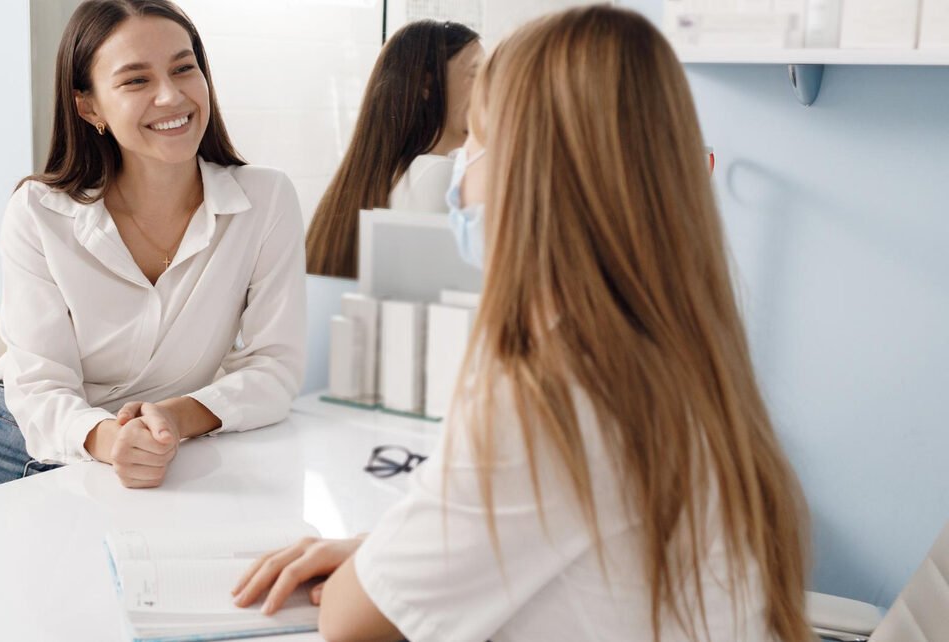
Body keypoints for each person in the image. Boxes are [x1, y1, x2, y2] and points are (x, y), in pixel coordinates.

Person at [232, 7, 810, 642]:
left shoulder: (547, 396)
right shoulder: (683, 360)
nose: (460, 172)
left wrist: (379, 563)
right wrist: (392, 552)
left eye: (475, 144)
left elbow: (350, 623)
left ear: (526, 173)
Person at [0, 0, 305, 513]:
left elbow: (275, 368)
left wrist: (174, 419)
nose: (171, 95)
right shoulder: (39, 212)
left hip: (151, 452)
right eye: (135, 81)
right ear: (89, 107)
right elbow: (40, 383)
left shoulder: (264, 201)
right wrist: (110, 440)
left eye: (183, 68)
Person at [305, 20, 482, 279]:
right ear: (427, 84)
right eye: (476, 74)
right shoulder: (436, 175)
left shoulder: (379, 177)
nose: (489, 90)